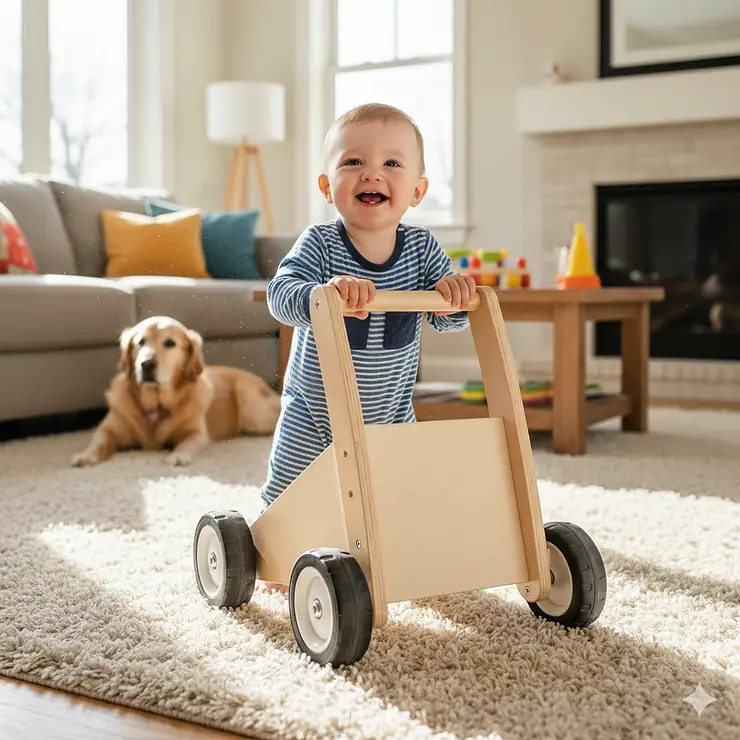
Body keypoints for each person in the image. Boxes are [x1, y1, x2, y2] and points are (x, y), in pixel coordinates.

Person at [257, 104, 475, 589]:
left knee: (398, 493)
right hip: (314, 413)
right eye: (353, 162)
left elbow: (448, 320)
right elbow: (279, 296)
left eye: (392, 164)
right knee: (290, 497)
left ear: (417, 190)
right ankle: (272, 555)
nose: (371, 173)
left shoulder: (421, 250)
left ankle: (392, 547)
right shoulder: (320, 244)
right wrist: (322, 294)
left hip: (391, 411)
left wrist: (454, 298)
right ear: (326, 186)